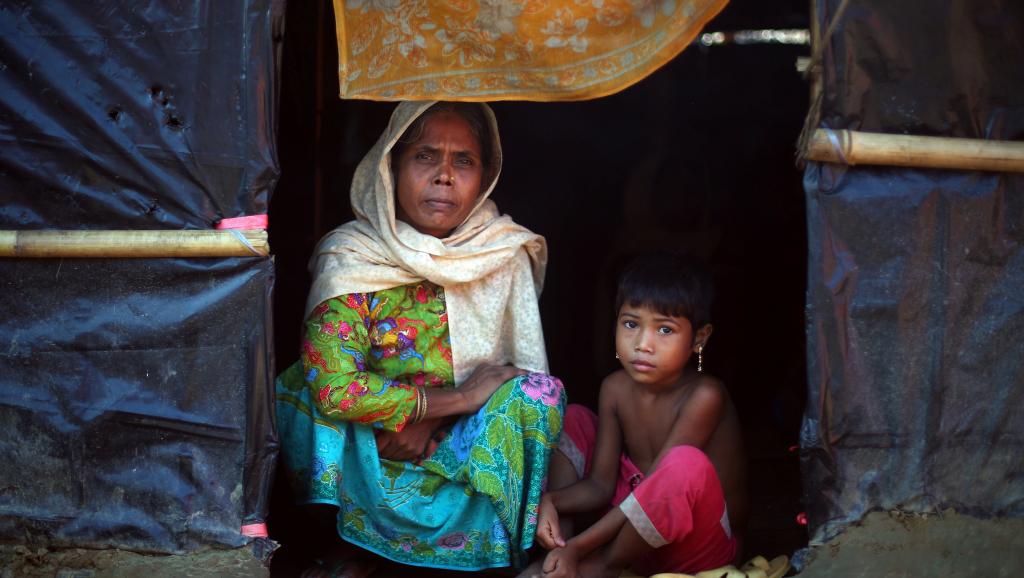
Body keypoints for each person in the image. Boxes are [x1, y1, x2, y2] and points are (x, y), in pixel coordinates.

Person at [275, 101, 566, 577]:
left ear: (486, 175)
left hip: (459, 453)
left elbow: (520, 375)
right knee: (300, 389)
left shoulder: (502, 251)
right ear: (391, 166)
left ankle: (480, 554)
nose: (445, 176)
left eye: (464, 161)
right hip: (373, 448)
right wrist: (449, 400)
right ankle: (345, 543)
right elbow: (335, 386)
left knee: (539, 395)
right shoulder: (352, 253)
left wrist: (437, 418)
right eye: (425, 156)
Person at [522, 253, 747, 578]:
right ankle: (560, 546)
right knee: (573, 418)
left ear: (699, 338)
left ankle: (595, 563)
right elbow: (600, 485)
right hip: (632, 530)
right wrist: (550, 501)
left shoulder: (705, 396)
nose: (643, 344)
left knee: (684, 464)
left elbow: (659, 487)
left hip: (700, 544)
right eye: (631, 324)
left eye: (665, 330)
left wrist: (581, 550)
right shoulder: (614, 388)